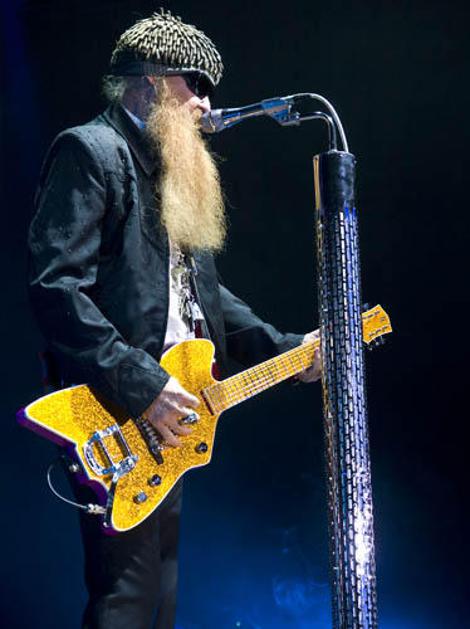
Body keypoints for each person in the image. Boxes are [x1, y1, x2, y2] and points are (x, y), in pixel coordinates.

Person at [28, 10, 321, 629]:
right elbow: (57, 288)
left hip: (168, 416)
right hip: (116, 409)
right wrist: (145, 384)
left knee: (161, 599)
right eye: (196, 84)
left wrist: (291, 350)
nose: (207, 104)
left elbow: (206, 300)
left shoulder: (171, 171)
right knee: (126, 597)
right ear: (151, 83)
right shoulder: (91, 151)